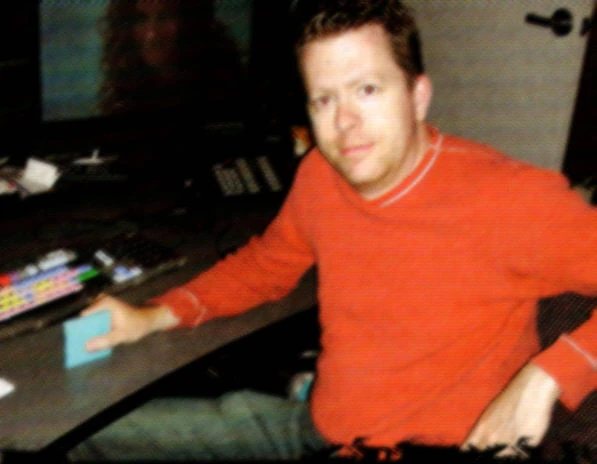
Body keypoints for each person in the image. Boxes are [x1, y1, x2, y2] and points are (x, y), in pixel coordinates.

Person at [70, 0, 596, 461]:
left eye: (366, 89)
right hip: (319, 430)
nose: (345, 122)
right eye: (324, 99)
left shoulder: (510, 199)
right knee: (92, 437)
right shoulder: (321, 174)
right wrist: (152, 315)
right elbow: (265, 267)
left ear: (417, 96)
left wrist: (546, 377)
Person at [97, 0, 243, 118]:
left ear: (189, 22)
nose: (152, 35)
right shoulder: (124, 93)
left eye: (164, 17)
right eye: (141, 19)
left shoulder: (226, 87)